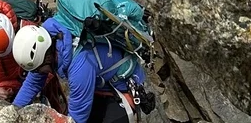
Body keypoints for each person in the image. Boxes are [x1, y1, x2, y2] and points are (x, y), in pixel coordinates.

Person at [11, 20, 148, 123]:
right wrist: (12, 112)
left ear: (47, 56)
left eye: (40, 68)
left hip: (122, 89)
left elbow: (76, 119)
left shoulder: (79, 67)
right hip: (100, 84)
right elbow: (32, 84)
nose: (40, 72)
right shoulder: (50, 40)